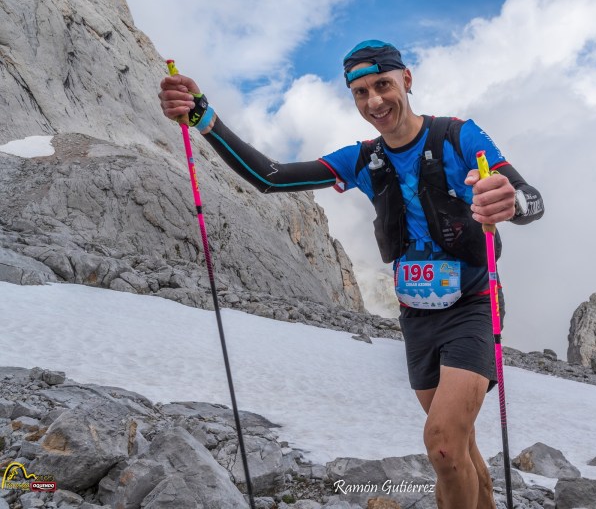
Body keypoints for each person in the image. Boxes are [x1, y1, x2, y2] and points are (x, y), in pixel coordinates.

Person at [159, 40, 544, 509]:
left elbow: (530, 197)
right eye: (361, 92)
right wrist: (205, 120)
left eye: (382, 85)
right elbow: (271, 177)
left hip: (473, 305)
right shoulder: (362, 159)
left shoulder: (458, 136)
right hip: (417, 317)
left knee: (443, 443)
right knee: (457, 446)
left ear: (406, 79)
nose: (374, 101)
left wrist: (511, 202)